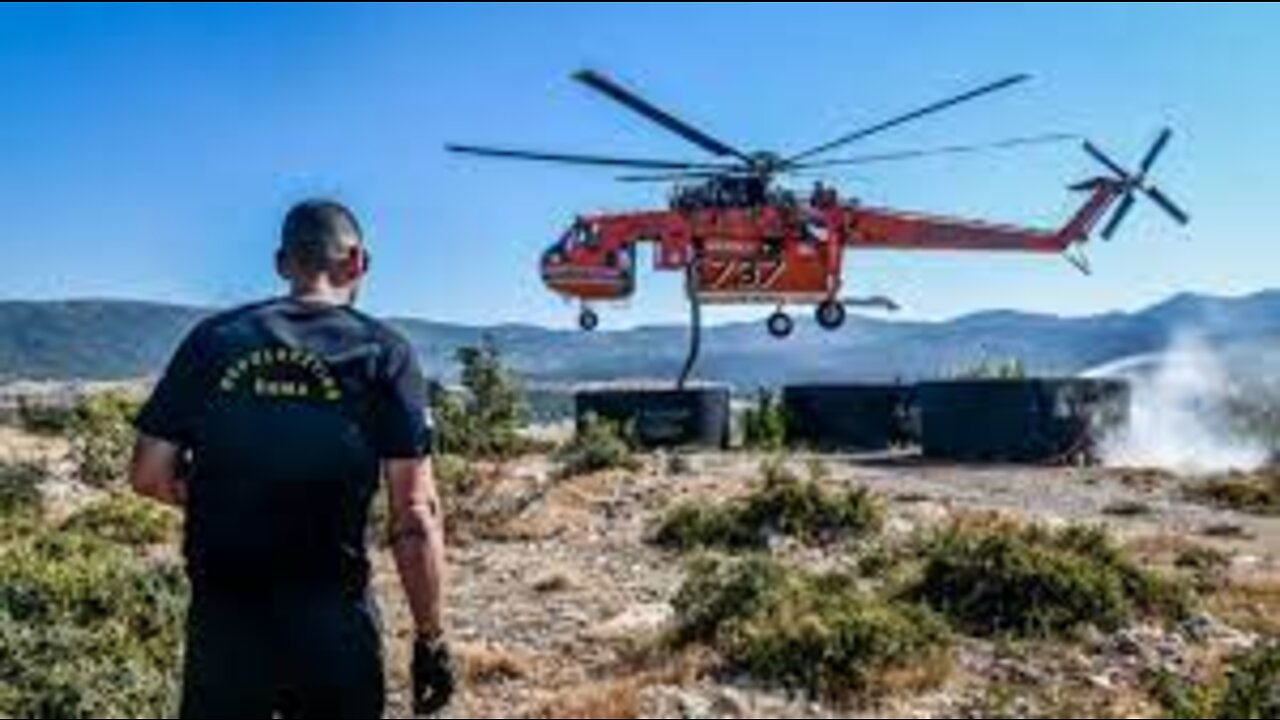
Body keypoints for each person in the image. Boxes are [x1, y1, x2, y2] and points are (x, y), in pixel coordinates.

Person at [129, 199, 454, 719]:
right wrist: (430, 638)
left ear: (283, 263)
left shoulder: (214, 340)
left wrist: (220, 491)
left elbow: (147, 474)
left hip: (226, 622)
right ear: (357, 263)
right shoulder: (385, 353)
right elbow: (415, 515)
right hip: (334, 623)